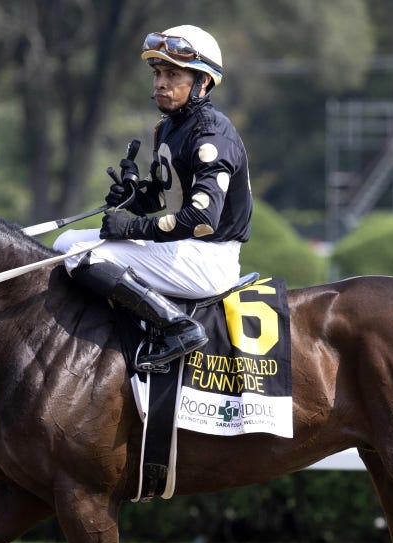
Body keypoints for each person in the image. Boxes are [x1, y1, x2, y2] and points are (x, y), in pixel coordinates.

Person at [55, 24, 253, 371]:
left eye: (172, 74)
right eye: (158, 73)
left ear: (202, 82)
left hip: (210, 258)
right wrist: (133, 196)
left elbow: (202, 221)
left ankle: (177, 327)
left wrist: (131, 227)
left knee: (79, 256)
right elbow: (166, 198)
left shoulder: (212, 132)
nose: (160, 83)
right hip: (183, 249)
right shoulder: (169, 126)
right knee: (64, 242)